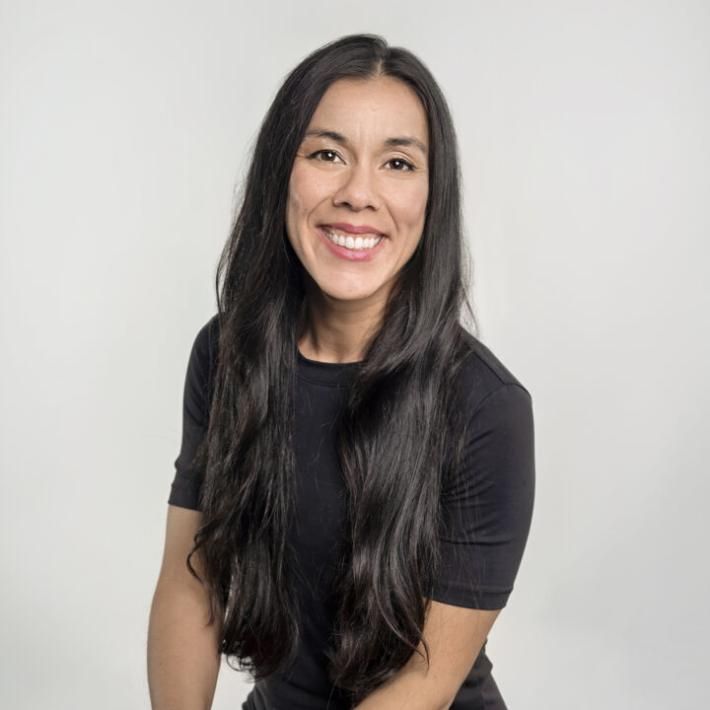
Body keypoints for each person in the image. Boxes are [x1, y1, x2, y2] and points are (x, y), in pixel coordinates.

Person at [147, 33, 535, 710]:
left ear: (431, 195)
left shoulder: (485, 406)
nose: (359, 193)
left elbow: (426, 681)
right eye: (327, 154)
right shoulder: (227, 354)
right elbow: (191, 584)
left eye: (398, 163)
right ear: (282, 174)